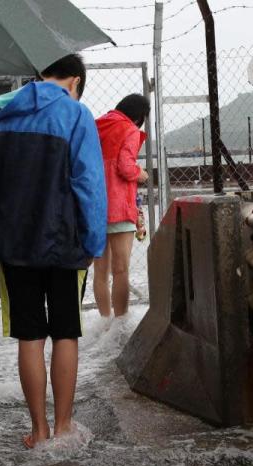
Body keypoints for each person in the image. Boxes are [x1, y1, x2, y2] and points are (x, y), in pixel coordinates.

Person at [0, 54, 107, 448]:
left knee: (29, 337)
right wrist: (94, 242)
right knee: (65, 334)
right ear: (74, 81)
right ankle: (62, 429)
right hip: (63, 245)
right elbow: (89, 185)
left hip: (15, 245)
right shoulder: (76, 116)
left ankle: (37, 431)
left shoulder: (4, 115)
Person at [93, 94, 150, 322]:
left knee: (100, 273)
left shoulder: (97, 125)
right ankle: (121, 324)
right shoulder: (130, 130)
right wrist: (141, 174)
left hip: (95, 208)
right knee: (121, 270)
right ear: (138, 117)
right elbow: (126, 167)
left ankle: (104, 322)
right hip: (119, 207)